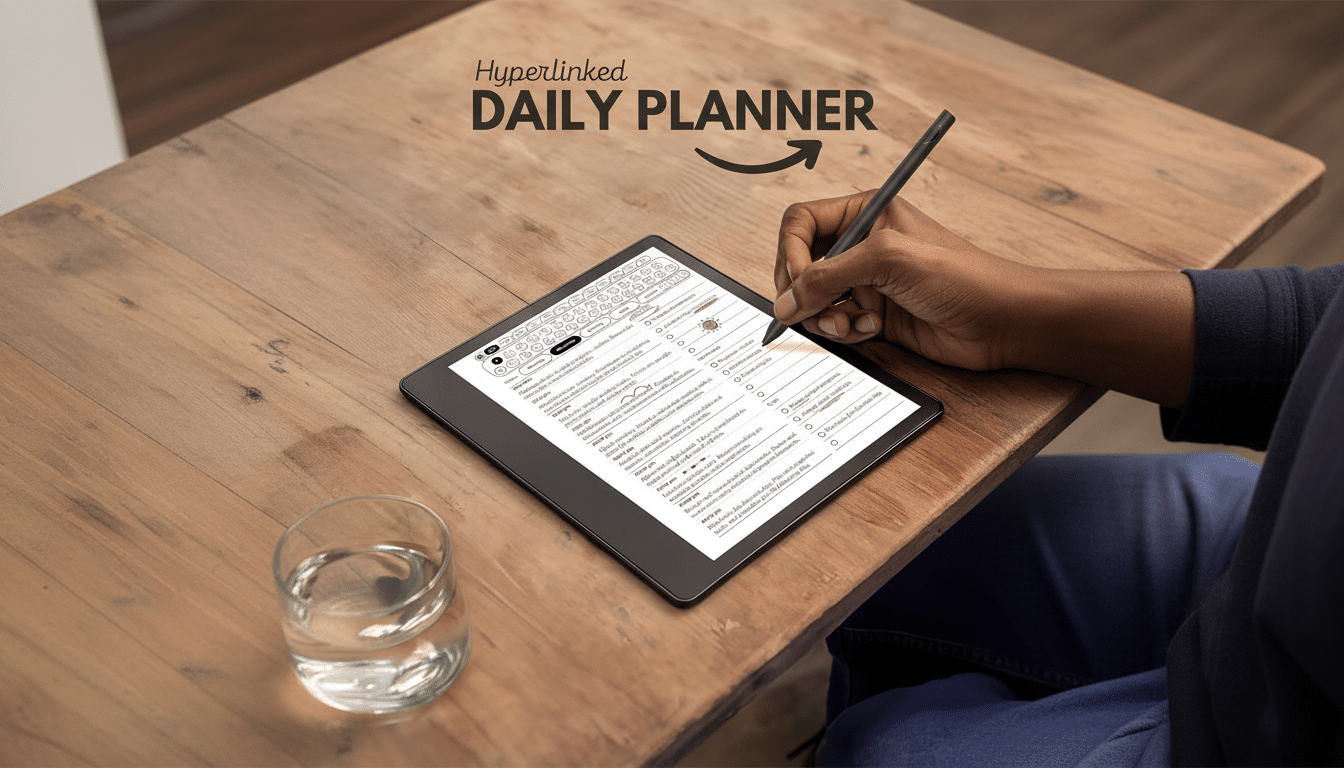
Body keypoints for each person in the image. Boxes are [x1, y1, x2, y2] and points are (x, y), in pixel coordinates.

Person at [771, 191, 1344, 766]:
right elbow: (1324, 325)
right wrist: (1012, 312)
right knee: (879, 530)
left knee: (882, 745)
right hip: (1276, 534)